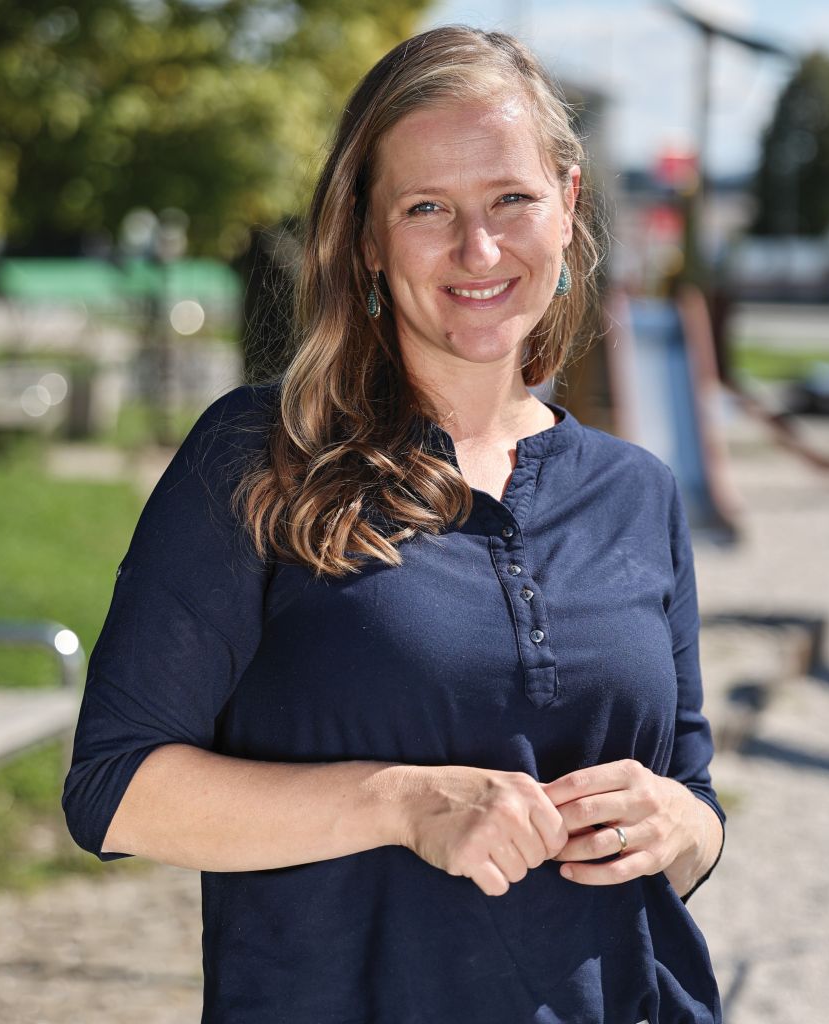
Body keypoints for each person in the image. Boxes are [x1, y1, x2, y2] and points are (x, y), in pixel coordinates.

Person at [63, 25, 725, 1024]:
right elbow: (114, 789)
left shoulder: (638, 492)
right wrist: (400, 802)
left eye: (511, 199)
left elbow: (693, 807)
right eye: (427, 208)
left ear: (568, 204)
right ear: (367, 238)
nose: (478, 249)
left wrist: (677, 824)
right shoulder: (261, 455)